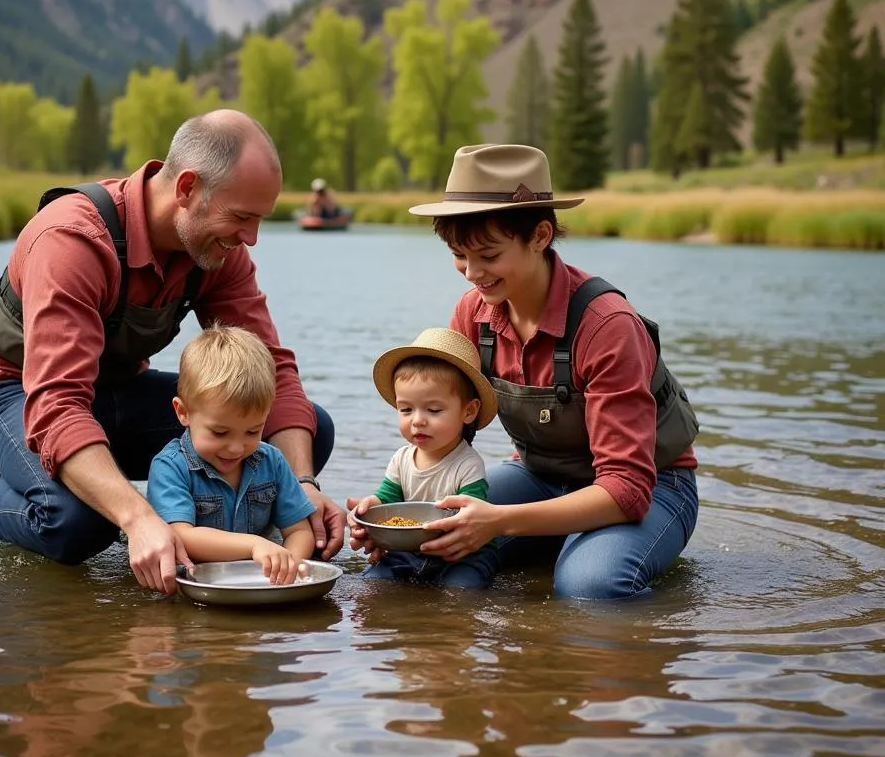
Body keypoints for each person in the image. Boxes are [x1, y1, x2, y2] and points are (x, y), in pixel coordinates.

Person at [0, 109, 346, 594]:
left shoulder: (216, 250)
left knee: (307, 431)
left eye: (259, 219)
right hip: (17, 393)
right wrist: (136, 519)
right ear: (187, 189)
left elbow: (271, 367)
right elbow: (57, 406)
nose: (250, 238)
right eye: (241, 217)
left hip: (116, 392)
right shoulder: (71, 241)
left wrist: (304, 486)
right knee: (78, 526)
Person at [404, 143, 701, 600]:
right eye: (459, 255)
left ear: (540, 235)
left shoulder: (608, 326)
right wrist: (395, 513)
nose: (471, 274)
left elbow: (626, 490)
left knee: (589, 587)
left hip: (652, 486)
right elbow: (446, 441)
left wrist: (500, 521)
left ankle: (591, 553)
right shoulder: (472, 314)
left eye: (488, 254)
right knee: (425, 545)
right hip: (538, 476)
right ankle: (555, 540)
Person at [147, 325, 316, 585]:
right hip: (197, 581)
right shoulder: (171, 467)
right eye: (220, 433)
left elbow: (299, 530)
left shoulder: (272, 461)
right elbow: (181, 535)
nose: (237, 447)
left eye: (252, 431)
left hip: (253, 580)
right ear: (183, 412)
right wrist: (253, 545)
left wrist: (287, 566)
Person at [346, 328, 500, 589]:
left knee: (461, 589)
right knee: (374, 583)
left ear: (469, 411)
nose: (417, 420)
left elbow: (472, 518)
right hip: (409, 548)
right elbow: (388, 500)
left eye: (434, 409)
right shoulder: (402, 458)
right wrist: (373, 505)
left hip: (460, 551)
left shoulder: (467, 464)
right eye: (406, 409)